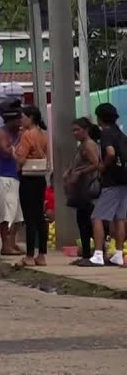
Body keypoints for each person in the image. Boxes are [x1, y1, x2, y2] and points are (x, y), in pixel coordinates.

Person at [88, 103, 127, 267]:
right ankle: (118, 253)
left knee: (97, 217)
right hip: (124, 180)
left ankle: (97, 253)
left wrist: (103, 166)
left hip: (111, 181)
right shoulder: (121, 134)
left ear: (100, 117)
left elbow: (110, 152)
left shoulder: (107, 133)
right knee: (120, 218)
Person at [12, 104, 51, 266]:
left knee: (30, 218)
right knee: (40, 217)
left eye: (23, 117)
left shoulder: (27, 135)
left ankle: (29, 255)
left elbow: (21, 159)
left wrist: (14, 152)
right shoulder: (43, 135)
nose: (21, 119)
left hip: (28, 179)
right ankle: (41, 254)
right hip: (40, 178)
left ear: (31, 118)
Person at [65, 117, 102, 264]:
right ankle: (86, 252)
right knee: (82, 220)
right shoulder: (82, 146)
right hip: (80, 188)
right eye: (73, 130)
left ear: (85, 130)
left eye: (77, 130)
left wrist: (80, 172)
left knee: (86, 220)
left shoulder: (89, 145)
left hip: (87, 187)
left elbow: (96, 163)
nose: (75, 133)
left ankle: (89, 253)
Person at [0, 98, 25, 255]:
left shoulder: (19, 133)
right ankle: (5, 245)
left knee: (18, 216)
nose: (21, 121)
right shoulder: (2, 133)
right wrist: (19, 144)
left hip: (17, 178)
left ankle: (12, 243)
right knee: (6, 215)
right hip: (6, 179)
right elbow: (6, 152)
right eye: (18, 118)